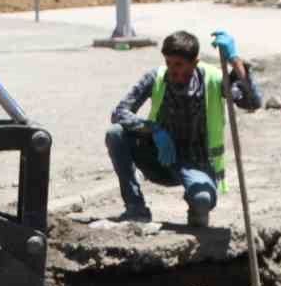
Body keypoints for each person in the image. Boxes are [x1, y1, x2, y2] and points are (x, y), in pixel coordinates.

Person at [105, 29, 262, 227]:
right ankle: (136, 208)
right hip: (159, 157)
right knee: (116, 134)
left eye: (179, 64)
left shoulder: (213, 80)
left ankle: (197, 216)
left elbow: (252, 102)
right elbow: (119, 113)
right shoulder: (157, 77)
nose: (173, 70)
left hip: (196, 163)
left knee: (202, 199)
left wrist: (234, 60)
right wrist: (154, 129)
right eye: (169, 63)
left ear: (195, 62)